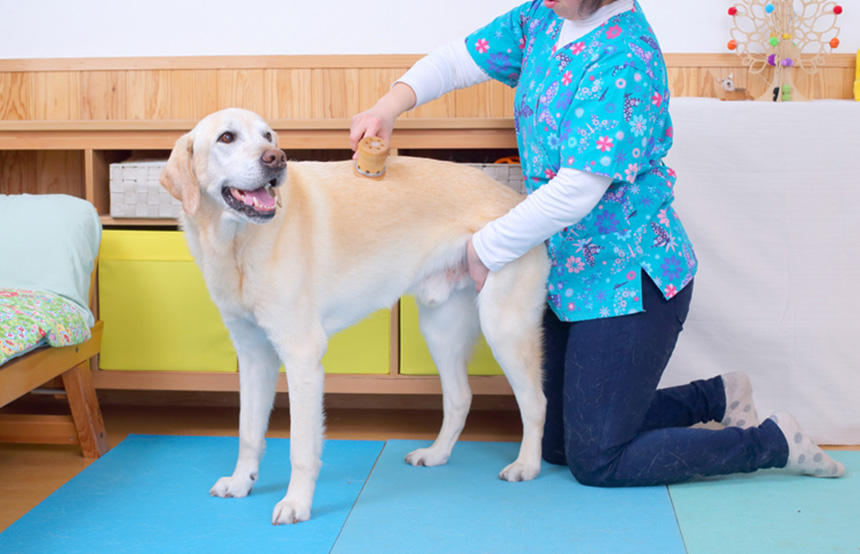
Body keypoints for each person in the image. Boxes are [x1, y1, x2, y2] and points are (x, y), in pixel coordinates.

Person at [350, 0, 845, 485]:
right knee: (558, 442)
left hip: (631, 279)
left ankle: (772, 444)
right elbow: (459, 58)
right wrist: (389, 105)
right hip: (567, 270)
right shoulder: (541, 16)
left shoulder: (625, 55)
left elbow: (577, 190)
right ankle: (717, 397)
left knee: (596, 460)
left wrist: (481, 249)